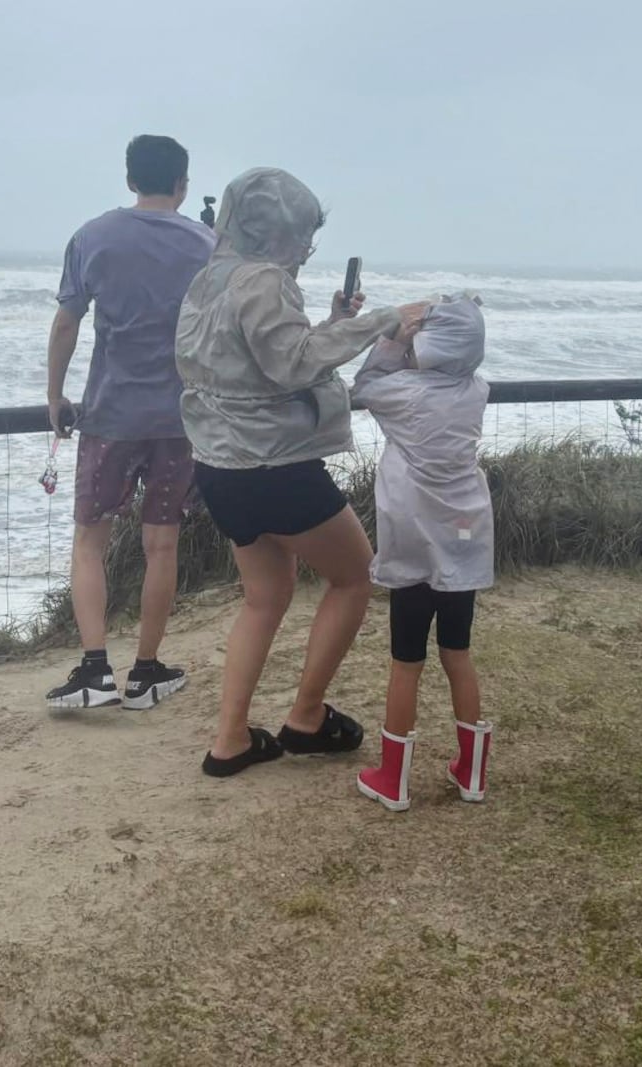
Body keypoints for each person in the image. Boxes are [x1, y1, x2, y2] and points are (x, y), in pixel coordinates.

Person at [175, 167, 432, 777]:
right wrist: (380, 321)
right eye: (302, 236)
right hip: (275, 468)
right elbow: (292, 367)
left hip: (218, 465)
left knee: (265, 599)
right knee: (355, 577)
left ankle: (230, 739)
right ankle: (307, 717)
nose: (305, 249)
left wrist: (334, 323)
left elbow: (261, 359)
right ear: (283, 231)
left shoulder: (211, 278)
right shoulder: (266, 280)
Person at [43, 135, 215, 712]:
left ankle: (95, 670)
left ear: (129, 179)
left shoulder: (93, 236)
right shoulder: (207, 244)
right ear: (182, 184)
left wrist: (53, 396)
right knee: (160, 545)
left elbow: (67, 322)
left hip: (111, 414)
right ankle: (145, 672)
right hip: (179, 417)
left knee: (90, 541)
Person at [351, 295, 495, 812]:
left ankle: (394, 777)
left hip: (415, 544)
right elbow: (455, 362)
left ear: (427, 347)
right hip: (465, 536)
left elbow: (363, 385)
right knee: (458, 654)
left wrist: (393, 336)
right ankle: (472, 772)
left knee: (406, 663)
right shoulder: (475, 389)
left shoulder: (405, 393)